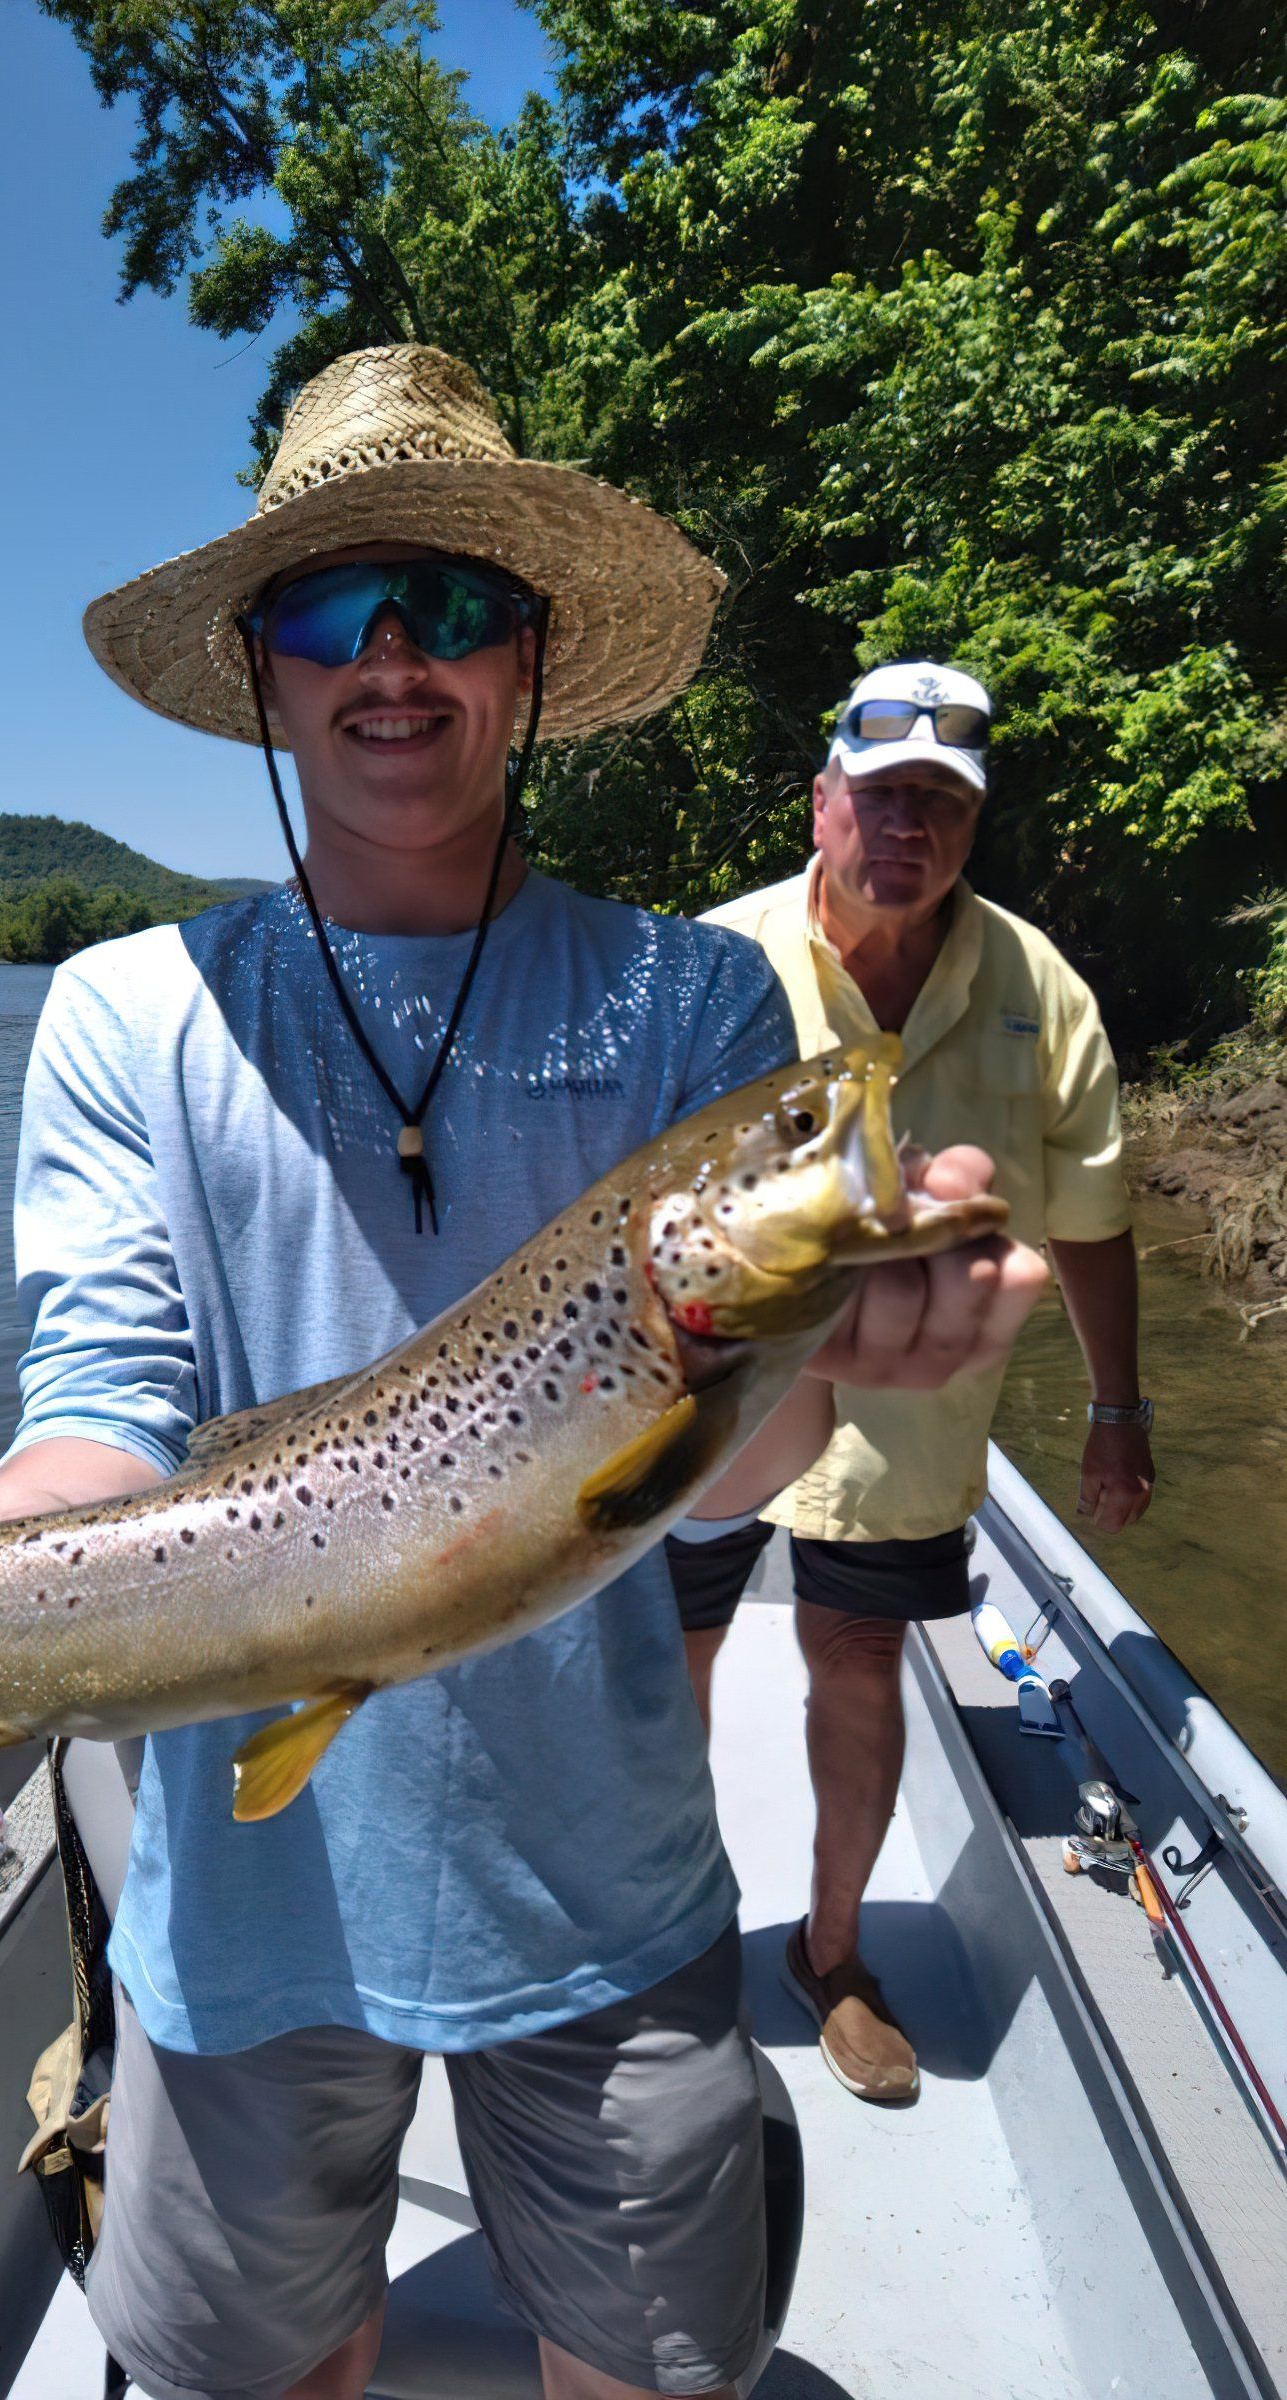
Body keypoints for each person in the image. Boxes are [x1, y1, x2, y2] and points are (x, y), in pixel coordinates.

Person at [0, 354, 1047, 2400]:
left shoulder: (695, 996)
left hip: (612, 1897)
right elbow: (103, 1416)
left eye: (454, 606)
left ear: (534, 657)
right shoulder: (126, 1013)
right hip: (243, 1929)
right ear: (261, 670)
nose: (391, 658)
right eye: (332, 612)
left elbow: (720, 1479)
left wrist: (830, 1357)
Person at [669, 660, 1154, 2109]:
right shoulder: (708, 964)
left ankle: (832, 1956)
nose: (908, 828)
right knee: (666, 1672)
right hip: (718, 1412)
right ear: (823, 802)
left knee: (861, 1665)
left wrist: (1120, 1412)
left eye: (941, 803)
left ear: (972, 828)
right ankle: (677, 1941)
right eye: (883, 797)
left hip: (916, 1422)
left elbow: (1093, 1218)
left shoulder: (1037, 989)